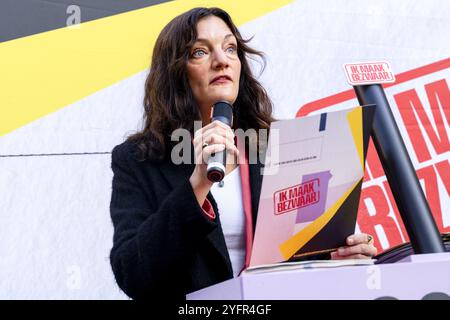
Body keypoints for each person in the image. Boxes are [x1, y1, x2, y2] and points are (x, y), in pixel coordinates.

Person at [109, 7, 377, 301]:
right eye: (200, 51)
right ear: (175, 71)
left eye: (230, 48)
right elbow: (132, 273)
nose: (221, 60)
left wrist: (340, 254)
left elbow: (304, 255)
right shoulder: (139, 160)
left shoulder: (278, 145)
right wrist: (196, 185)